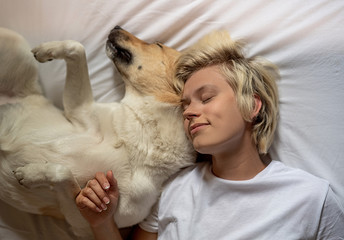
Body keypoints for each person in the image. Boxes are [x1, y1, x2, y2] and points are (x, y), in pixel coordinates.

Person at [75, 31, 344, 239]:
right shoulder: (172, 190)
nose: (190, 112)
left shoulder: (312, 199)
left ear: (252, 105)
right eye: (185, 105)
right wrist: (102, 222)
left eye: (206, 97)